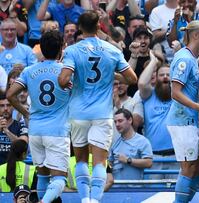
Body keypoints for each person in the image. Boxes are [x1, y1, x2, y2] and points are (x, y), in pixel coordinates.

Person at [58, 11, 137, 203]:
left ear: (80, 28)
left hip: (78, 113)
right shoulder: (112, 50)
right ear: (99, 26)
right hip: (102, 113)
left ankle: (84, 198)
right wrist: (110, 75)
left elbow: (63, 80)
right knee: (100, 161)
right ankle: (95, 199)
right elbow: (132, 79)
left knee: (81, 160)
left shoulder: (72, 51)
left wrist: (71, 81)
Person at [7, 30, 71, 203]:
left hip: (35, 130)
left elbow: (11, 94)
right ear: (61, 50)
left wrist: (26, 113)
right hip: (57, 131)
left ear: (42, 49)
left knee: (43, 176)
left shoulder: (29, 71)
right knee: (59, 178)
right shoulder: (65, 73)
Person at [166, 20, 199, 203]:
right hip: (182, 120)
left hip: (190, 120)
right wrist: (197, 107)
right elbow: (175, 92)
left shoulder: (190, 57)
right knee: (188, 167)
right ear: (197, 35)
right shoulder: (184, 59)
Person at [138, 51, 177, 179]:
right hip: (153, 156)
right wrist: (153, 62)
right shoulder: (149, 94)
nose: (165, 77)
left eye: (168, 75)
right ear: (156, 77)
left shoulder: (179, 96)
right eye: (161, 75)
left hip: (176, 156)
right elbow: (142, 83)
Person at [108, 109, 153, 181]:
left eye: (120, 121)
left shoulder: (142, 141)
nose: (117, 124)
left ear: (130, 120)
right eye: (115, 122)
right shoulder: (114, 142)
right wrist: (109, 173)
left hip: (135, 189)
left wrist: (128, 160)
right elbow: (109, 163)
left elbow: (149, 163)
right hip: (116, 188)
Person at [0, 97, 28, 165]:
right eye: (2, 106)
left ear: (13, 107)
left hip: (13, 168)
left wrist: (7, 131)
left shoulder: (20, 125)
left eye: (9, 105)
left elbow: (23, 147)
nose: (6, 108)